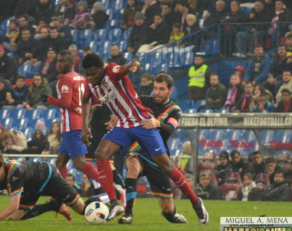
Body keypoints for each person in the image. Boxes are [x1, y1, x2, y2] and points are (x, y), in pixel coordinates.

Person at [81, 53, 208, 224]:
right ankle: (117, 205)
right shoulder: (93, 84)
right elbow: (89, 99)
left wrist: (132, 65)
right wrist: (87, 124)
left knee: (167, 169)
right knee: (101, 154)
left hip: (142, 125)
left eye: (92, 74)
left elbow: (123, 69)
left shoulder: (112, 71)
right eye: (87, 74)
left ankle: (196, 202)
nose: (90, 77)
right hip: (124, 128)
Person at [118, 73, 188, 224]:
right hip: (138, 149)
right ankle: (128, 214)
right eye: (155, 88)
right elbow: (124, 104)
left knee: (168, 208)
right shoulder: (144, 101)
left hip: (158, 158)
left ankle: (171, 215)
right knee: (132, 167)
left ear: (170, 91)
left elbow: (170, 129)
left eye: (162, 89)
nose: (157, 92)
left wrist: (157, 124)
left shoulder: (175, 110)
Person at [41, 50, 103, 191]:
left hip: (72, 126)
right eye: (58, 61)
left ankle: (110, 187)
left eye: (63, 61)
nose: (59, 64)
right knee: (61, 162)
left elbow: (66, 103)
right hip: (77, 125)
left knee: (79, 163)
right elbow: (93, 100)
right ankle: (61, 196)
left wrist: (49, 99)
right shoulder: (82, 78)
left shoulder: (65, 79)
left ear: (71, 63)